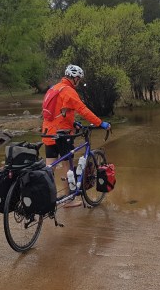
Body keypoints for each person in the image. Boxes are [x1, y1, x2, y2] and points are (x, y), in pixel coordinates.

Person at [42, 64, 111, 207]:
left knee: (49, 168)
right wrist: (100, 123)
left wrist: (73, 123)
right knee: (67, 166)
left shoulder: (54, 88)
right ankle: (69, 200)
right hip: (62, 135)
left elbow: (59, 113)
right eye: (78, 79)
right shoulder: (68, 91)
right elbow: (83, 110)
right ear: (75, 78)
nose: (78, 82)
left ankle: (44, 198)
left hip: (48, 132)